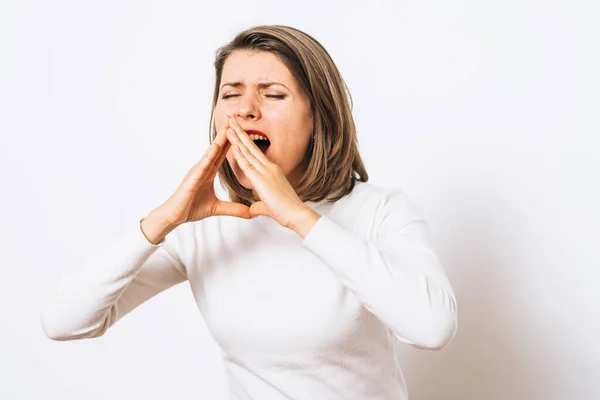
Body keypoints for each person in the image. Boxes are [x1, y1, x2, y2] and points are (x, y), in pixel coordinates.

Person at [42, 25, 458, 399]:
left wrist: (298, 217)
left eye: (273, 94)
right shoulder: (204, 227)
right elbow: (64, 321)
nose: (245, 109)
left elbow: (432, 328)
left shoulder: (380, 211)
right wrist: (163, 219)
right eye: (230, 94)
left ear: (319, 117)